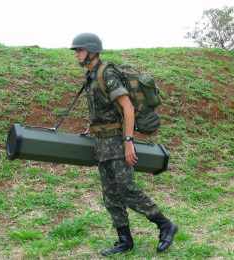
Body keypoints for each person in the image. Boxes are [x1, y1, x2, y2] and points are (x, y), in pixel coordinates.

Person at [70, 32, 178, 256]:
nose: (76, 54)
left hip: (117, 143)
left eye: (79, 50)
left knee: (127, 190)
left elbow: (127, 108)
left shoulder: (106, 73)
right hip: (101, 144)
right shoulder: (91, 77)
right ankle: (125, 240)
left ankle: (165, 225)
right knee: (110, 195)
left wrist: (129, 142)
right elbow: (103, 111)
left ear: (91, 51)